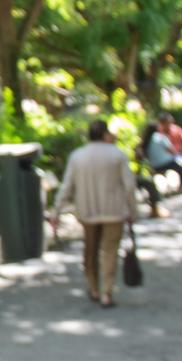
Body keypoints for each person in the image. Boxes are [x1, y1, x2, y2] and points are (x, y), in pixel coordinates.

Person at [50, 120, 141, 308]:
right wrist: (132, 210)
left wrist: (56, 210)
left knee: (90, 250)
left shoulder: (77, 156)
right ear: (105, 134)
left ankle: (93, 288)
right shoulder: (117, 155)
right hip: (114, 211)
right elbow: (129, 186)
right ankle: (107, 291)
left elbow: (67, 185)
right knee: (109, 251)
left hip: (87, 211)